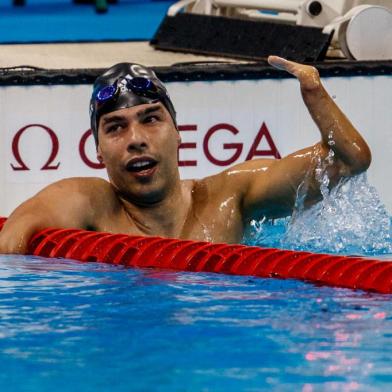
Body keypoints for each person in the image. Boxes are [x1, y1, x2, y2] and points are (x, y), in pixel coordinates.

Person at [0, 56, 371, 254]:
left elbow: (348, 160)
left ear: (178, 133)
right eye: (115, 127)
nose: (136, 139)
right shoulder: (92, 202)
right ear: (97, 149)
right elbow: (13, 238)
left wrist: (315, 94)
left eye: (150, 120)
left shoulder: (228, 196)